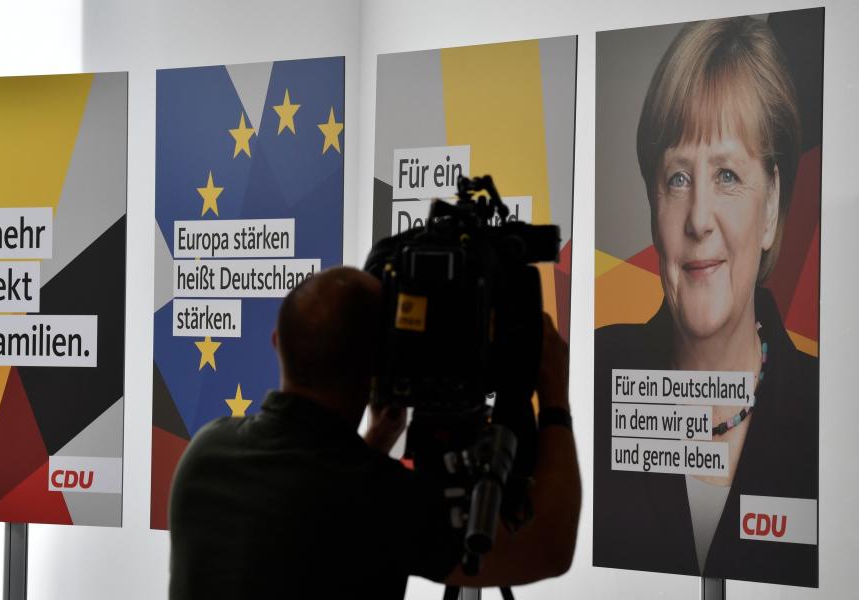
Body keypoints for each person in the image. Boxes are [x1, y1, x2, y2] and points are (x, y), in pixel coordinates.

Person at [169, 266, 580, 599]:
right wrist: (555, 397)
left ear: (278, 343)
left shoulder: (206, 450)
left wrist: (376, 442)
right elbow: (548, 549)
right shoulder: (384, 498)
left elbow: (309, 507)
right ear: (383, 363)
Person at [593, 17, 818, 587]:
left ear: (770, 209)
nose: (697, 219)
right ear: (652, 201)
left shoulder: (830, 411)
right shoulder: (591, 381)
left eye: (726, 175)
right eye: (676, 179)